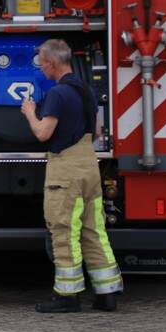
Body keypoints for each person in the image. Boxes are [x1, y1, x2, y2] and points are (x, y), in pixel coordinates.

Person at [20, 38, 123, 313]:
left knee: (63, 231)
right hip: (89, 164)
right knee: (94, 231)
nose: (41, 68)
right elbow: (98, 132)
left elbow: (43, 133)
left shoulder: (57, 94)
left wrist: (30, 113)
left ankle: (68, 296)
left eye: (42, 63)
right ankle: (107, 294)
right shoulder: (86, 90)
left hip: (65, 169)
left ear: (53, 63)